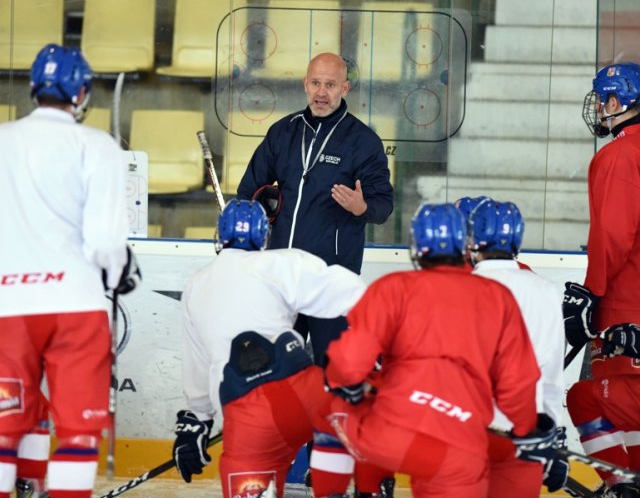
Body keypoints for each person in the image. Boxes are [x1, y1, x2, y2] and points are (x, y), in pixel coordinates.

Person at [319, 202, 547, 498]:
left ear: (416, 244)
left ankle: (365, 490)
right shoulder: (497, 297)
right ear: (466, 243)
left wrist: (341, 384)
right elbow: (518, 381)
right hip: (459, 452)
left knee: (327, 407)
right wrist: (527, 429)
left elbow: (348, 364)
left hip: (393, 437)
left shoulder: (393, 287)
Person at [0, 43, 141, 498]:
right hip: (76, 307)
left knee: (2, 429)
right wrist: (120, 270)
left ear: (34, 87)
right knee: (78, 435)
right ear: (81, 92)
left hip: (8, 306)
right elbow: (104, 244)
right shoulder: (97, 146)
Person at [172, 199, 368, 498]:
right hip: (301, 393)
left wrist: (198, 419)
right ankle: (356, 478)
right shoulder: (280, 262)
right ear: (264, 235)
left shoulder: (195, 285)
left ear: (219, 235)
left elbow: (198, 361)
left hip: (246, 416)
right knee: (356, 408)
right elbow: (354, 294)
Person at [236, 51, 394, 364]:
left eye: (331, 85)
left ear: (345, 89)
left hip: (331, 279)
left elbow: (383, 205)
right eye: (316, 83)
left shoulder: (363, 141)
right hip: (282, 275)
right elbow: (247, 193)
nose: (322, 92)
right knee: (274, 368)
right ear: (305, 85)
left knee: (333, 369)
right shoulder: (283, 132)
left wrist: (362, 207)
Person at [564, 62, 640, 497]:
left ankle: (623, 487)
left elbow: (613, 234)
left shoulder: (618, 155)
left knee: (586, 399)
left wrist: (593, 291)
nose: (598, 108)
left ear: (617, 102)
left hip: (626, 305)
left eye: (601, 99)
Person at [464, 198, 567, 497]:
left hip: (464, 437)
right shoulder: (546, 291)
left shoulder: (457, 287)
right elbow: (551, 375)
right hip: (525, 438)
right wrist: (551, 438)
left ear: (472, 238)